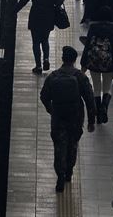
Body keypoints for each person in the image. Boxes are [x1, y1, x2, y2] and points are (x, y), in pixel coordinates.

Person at [40, 46, 96, 192]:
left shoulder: (53, 76)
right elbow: (90, 99)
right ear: (74, 60)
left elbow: (44, 96)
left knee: (59, 147)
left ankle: (60, 174)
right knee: (72, 145)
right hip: (75, 119)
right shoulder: (80, 77)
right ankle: (69, 172)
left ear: (63, 59)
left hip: (58, 118)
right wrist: (91, 121)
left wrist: (51, 110)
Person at [16, 0, 65, 74]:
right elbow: (58, 1)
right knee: (45, 40)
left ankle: (38, 66)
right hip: (48, 16)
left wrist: (14, 11)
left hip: (35, 15)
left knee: (35, 42)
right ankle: (46, 59)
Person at [80, 6, 113, 124]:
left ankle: (98, 112)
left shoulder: (93, 27)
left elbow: (88, 45)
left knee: (96, 87)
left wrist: (83, 64)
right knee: (107, 87)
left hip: (94, 62)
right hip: (109, 63)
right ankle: (104, 107)